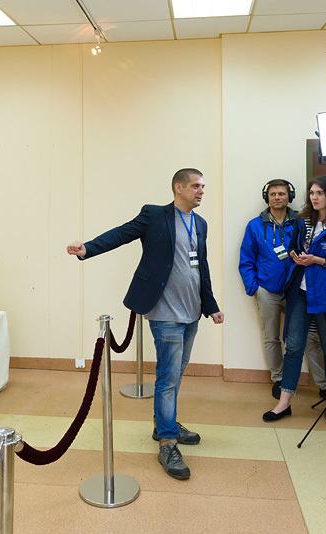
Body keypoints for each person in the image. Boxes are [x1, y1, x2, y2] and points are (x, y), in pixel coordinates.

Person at [67, 168, 224, 481]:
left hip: (192, 311)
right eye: (196, 186)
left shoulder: (200, 224)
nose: (201, 191)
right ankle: (167, 441)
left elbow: (200, 267)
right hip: (164, 312)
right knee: (167, 376)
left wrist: (211, 306)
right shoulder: (154, 215)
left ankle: (165, 421)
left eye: (203, 186)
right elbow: (121, 234)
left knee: (176, 372)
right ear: (178, 188)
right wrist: (88, 248)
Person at [263, 175, 326, 424]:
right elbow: (296, 247)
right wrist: (298, 256)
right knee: (294, 346)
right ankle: (284, 402)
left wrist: (318, 260)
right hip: (303, 291)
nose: (314, 198)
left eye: (320, 193)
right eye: (312, 193)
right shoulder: (302, 220)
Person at [238, 179, 326, 404]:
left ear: (289, 196)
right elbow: (246, 260)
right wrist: (255, 288)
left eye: (282, 193)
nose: (277, 197)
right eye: (273, 194)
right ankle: (279, 380)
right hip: (268, 291)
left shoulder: (303, 221)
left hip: (296, 291)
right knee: (271, 337)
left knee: (310, 338)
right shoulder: (255, 226)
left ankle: (323, 384)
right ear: (267, 197)